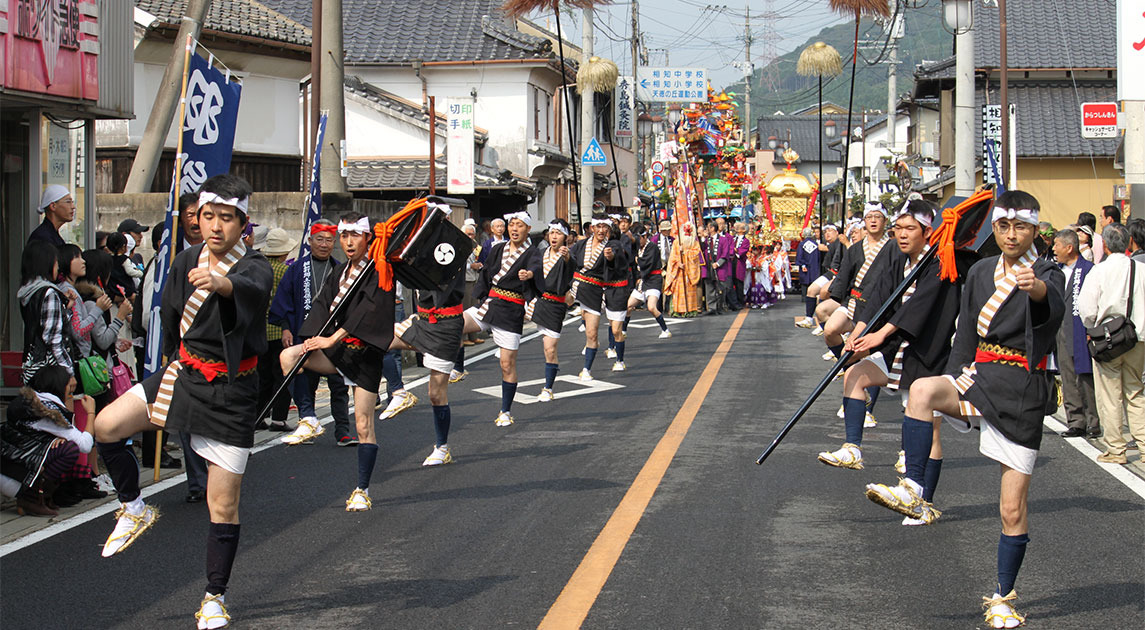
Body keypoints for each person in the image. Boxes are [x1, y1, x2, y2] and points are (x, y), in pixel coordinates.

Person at [864, 190, 1064, 629]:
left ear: (1034, 229)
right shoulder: (980, 273)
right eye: (1004, 227)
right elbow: (965, 336)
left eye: (1021, 228)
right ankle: (914, 489)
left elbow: (1054, 309)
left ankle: (1003, 597)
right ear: (996, 228)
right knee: (921, 391)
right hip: (980, 376)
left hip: (1021, 391)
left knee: (1011, 509)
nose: (1012, 235)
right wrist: (955, 374)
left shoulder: (1045, 270)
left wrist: (1038, 290)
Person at [92, 174, 273, 628]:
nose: (214, 226)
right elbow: (171, 317)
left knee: (222, 505)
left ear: (242, 223)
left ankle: (214, 595)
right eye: (207, 216)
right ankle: (134, 507)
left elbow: (247, 291)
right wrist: (172, 359)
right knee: (106, 427)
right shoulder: (185, 258)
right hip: (184, 373)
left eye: (225, 218)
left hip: (232, 392)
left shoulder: (254, 265)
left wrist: (219, 283)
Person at [819, 201, 963, 525]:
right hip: (898, 349)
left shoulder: (940, 263)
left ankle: (923, 501)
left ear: (928, 232)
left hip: (929, 352)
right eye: (898, 228)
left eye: (909, 228)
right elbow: (875, 298)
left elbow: (919, 310)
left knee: (931, 431)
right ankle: (852, 448)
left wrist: (879, 335)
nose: (901, 234)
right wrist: (857, 336)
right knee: (854, 374)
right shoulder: (897, 260)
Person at [279, 211, 394, 510]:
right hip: (337, 353)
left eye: (355, 235)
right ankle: (309, 417)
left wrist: (331, 338)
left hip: (364, 354)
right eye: (344, 236)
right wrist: (310, 337)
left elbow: (368, 311)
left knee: (363, 425)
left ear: (368, 238)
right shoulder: (339, 271)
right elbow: (321, 306)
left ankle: (362, 489)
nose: (348, 241)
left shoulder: (379, 270)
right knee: (290, 356)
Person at [269, 220, 354, 443]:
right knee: (302, 379)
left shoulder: (341, 270)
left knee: (338, 384)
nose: (324, 244)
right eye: (320, 239)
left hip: (332, 338)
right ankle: (308, 419)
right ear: (310, 241)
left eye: (329, 240)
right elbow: (283, 302)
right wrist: (286, 329)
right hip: (302, 334)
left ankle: (343, 431)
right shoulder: (296, 270)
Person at [463, 211, 543, 425]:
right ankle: (455, 366)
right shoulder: (498, 248)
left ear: (527, 229)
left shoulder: (532, 252)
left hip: (510, 310)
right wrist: (479, 296)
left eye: (519, 225)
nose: (514, 229)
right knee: (455, 324)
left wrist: (530, 275)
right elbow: (487, 274)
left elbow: (537, 268)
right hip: (490, 304)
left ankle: (505, 411)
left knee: (507, 364)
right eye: (512, 225)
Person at [388, 256, 468, 465]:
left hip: (446, 325)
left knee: (435, 393)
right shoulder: (415, 247)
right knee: (380, 340)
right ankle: (399, 391)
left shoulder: (450, 247)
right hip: (422, 320)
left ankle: (442, 448)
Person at [1077, 223, 1145, 465]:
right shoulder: (1141, 269)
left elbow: (1086, 308)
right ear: (1128, 243)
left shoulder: (1099, 271)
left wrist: (1091, 326)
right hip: (1137, 338)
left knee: (1110, 395)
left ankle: (1116, 450)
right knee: (1135, 391)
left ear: (1104, 245)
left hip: (1108, 339)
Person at [1, 366, 93, 516]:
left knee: (64, 446)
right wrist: (91, 412)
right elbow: (85, 445)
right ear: (59, 386)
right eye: (69, 387)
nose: (71, 391)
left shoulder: (30, 401)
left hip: (12, 465)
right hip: (15, 477)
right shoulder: (46, 410)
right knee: (69, 449)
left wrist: (54, 438)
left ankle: (37, 496)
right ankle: (32, 498)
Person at [1050, 229, 1100, 439]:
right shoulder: (1056, 271)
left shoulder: (1088, 270)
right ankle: (1075, 421)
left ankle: (1093, 422)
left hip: (1082, 330)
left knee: (1085, 378)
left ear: (1069, 248)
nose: (1053, 249)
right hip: (1061, 330)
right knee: (1068, 378)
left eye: (1057, 245)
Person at [571, 213, 630, 380]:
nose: (602, 230)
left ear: (609, 229)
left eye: (605, 227)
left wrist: (610, 258)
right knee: (591, 334)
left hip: (614, 290)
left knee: (616, 329)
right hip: (588, 290)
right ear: (592, 228)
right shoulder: (581, 245)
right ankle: (586, 369)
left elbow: (621, 264)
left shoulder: (613, 245)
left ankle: (619, 358)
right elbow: (572, 262)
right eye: (598, 227)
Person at [527, 219, 575, 402]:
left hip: (555, 306)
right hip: (538, 301)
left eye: (559, 233)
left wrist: (567, 257)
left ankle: (548, 387)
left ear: (565, 237)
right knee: (510, 315)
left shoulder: (566, 256)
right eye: (552, 232)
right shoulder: (540, 252)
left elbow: (572, 265)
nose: (554, 236)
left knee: (550, 348)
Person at [255, 228, 296, 431]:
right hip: (280, 330)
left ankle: (258, 415)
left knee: (262, 377)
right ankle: (279, 418)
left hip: (259, 330)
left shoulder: (257, 268)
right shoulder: (285, 271)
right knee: (282, 375)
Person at [19, 240, 74, 382]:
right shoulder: (49, 293)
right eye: (56, 263)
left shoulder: (28, 291)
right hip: (51, 371)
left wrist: (64, 308)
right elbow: (53, 340)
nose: (58, 267)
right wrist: (69, 371)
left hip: (32, 368)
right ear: (47, 264)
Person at [626, 223, 672, 338]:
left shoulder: (652, 247)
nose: (637, 241)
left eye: (639, 238)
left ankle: (665, 330)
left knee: (651, 307)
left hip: (653, 280)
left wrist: (638, 260)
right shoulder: (637, 247)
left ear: (644, 236)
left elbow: (647, 264)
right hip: (643, 281)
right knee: (627, 306)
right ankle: (623, 331)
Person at [664, 223, 702, 317]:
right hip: (679, 271)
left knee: (690, 291)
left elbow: (696, 254)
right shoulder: (677, 242)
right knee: (678, 291)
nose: (687, 233)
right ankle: (678, 310)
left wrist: (685, 253)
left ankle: (690, 310)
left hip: (689, 271)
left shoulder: (694, 242)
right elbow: (673, 257)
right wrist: (678, 263)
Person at [700, 221, 732, 315]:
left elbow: (725, 253)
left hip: (719, 267)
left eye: (708, 228)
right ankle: (711, 308)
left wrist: (718, 263)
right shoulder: (706, 240)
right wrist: (703, 238)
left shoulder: (723, 239)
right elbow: (701, 250)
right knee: (709, 288)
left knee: (720, 287)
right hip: (708, 266)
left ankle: (719, 307)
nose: (707, 230)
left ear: (713, 228)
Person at [461, 223, 484, 346]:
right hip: (465, 279)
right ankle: (464, 337)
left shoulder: (476, 245)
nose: (470, 236)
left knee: (474, 307)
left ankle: (474, 335)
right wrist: (471, 266)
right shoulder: (459, 244)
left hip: (475, 278)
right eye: (468, 234)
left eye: (472, 234)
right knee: (465, 308)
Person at [794, 227, 821, 326]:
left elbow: (800, 255)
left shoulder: (802, 244)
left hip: (805, 265)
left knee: (805, 282)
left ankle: (804, 296)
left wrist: (802, 264)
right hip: (814, 265)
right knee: (813, 281)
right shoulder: (816, 244)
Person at [728, 222, 750, 310]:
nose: (737, 228)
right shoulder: (733, 239)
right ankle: (732, 302)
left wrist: (735, 250)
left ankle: (740, 302)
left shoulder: (746, 241)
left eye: (739, 227)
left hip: (739, 262)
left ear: (744, 230)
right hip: (731, 260)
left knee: (739, 283)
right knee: (731, 282)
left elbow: (742, 251)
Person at [745, 243, 773, 308]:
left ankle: (764, 302)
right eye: (753, 250)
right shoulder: (752, 258)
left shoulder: (763, 259)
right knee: (753, 289)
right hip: (753, 276)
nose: (753, 252)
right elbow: (748, 265)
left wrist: (758, 268)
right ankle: (755, 303)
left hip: (761, 276)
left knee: (761, 289)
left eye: (755, 250)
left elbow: (765, 268)